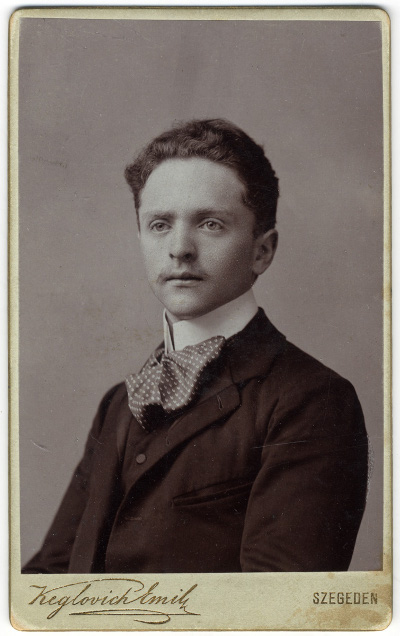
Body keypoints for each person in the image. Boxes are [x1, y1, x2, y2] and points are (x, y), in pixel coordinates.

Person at [23, 118, 369, 574]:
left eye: (210, 224)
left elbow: (278, 605)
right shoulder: (117, 405)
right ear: (141, 238)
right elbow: (46, 580)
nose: (180, 248)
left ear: (262, 251)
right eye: (160, 224)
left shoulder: (310, 400)